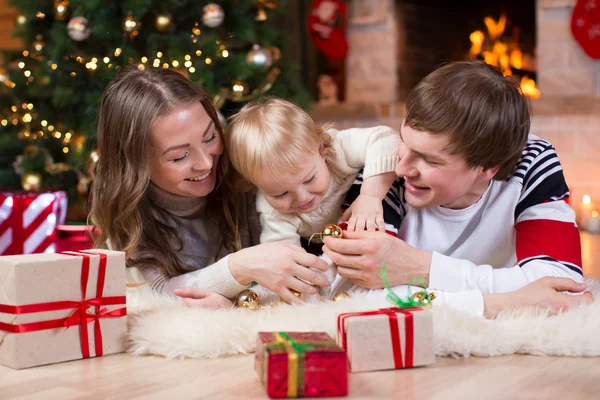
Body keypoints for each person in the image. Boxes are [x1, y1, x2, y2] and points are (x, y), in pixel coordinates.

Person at [323, 61, 593, 318]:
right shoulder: (381, 174)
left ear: (488, 168)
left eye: (429, 159)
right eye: (404, 141)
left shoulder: (532, 161)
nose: (403, 168)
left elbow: (563, 283)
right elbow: (356, 295)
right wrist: (498, 304)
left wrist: (422, 268)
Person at [89, 66, 328, 306]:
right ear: (135, 163)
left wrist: (366, 196)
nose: (205, 163)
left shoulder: (248, 164)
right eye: (180, 156)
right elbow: (156, 294)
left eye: (210, 138)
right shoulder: (129, 212)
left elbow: (338, 151)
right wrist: (239, 268)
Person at [225, 98, 400, 294]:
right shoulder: (271, 210)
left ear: (320, 150)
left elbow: (386, 139)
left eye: (309, 180)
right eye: (281, 193)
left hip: (373, 217)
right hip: (323, 247)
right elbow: (282, 258)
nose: (301, 197)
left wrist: (370, 196)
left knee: (377, 179)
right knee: (304, 263)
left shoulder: (337, 150)